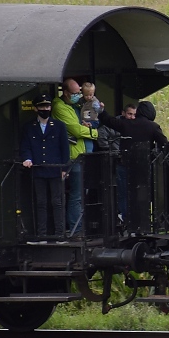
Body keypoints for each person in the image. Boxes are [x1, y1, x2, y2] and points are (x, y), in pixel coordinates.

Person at [99, 100, 168, 222]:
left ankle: (126, 219)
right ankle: (141, 220)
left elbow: (109, 121)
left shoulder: (126, 124)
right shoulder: (153, 127)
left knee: (124, 194)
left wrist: (102, 110)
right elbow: (164, 143)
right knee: (142, 194)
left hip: (124, 163)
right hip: (143, 165)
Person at [52, 77, 98, 235]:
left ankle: (79, 228)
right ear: (65, 93)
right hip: (75, 156)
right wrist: (96, 134)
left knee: (82, 194)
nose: (78, 95)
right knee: (76, 195)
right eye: (75, 93)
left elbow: (92, 118)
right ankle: (76, 230)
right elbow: (77, 130)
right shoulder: (59, 106)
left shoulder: (77, 105)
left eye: (79, 92)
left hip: (85, 154)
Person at [19, 95, 70, 239]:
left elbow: (65, 149)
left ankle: (59, 234)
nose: (45, 109)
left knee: (57, 202)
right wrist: (27, 159)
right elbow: (26, 146)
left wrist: (65, 169)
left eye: (47, 107)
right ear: (36, 109)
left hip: (55, 169)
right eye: (42, 107)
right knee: (41, 203)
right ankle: (42, 234)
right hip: (38, 169)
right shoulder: (29, 127)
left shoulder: (59, 125)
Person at [79, 81, 104, 153]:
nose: (89, 97)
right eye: (86, 95)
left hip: (93, 121)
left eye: (91, 95)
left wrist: (101, 107)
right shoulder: (81, 101)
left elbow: (99, 111)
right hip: (84, 120)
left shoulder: (94, 102)